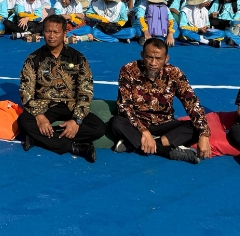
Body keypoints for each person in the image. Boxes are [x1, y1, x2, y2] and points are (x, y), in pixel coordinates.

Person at [17, 15, 105, 161]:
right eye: (48, 31)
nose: (51, 36)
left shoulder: (78, 58)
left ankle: (38, 137)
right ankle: (75, 147)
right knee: (24, 122)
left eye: (56, 32)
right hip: (44, 105)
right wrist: (39, 117)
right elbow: (25, 92)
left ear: (65, 33)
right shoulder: (33, 59)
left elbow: (86, 91)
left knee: (98, 128)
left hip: (70, 105)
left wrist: (76, 120)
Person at [110, 38, 212, 164]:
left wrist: (203, 134)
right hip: (137, 124)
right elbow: (125, 106)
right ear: (142, 55)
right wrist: (144, 131)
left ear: (166, 58)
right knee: (116, 122)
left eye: (158, 59)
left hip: (164, 124)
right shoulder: (128, 70)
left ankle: (138, 143)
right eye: (149, 57)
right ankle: (167, 151)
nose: (153, 63)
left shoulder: (175, 73)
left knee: (194, 127)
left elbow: (192, 104)